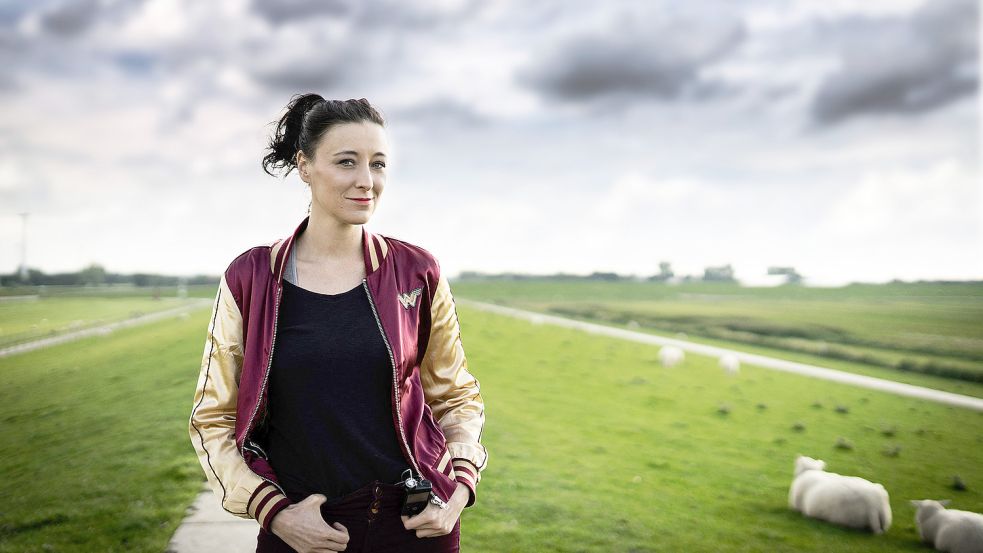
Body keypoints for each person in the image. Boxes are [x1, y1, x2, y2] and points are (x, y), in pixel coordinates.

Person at [188, 94, 487, 553]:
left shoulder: (416, 271)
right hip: (304, 530)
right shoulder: (250, 277)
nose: (366, 181)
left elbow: (456, 396)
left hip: (417, 526)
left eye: (378, 163)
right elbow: (214, 417)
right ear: (304, 166)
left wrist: (458, 488)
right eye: (347, 162)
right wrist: (275, 513)